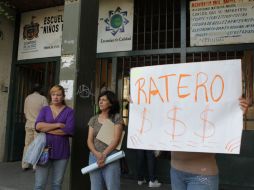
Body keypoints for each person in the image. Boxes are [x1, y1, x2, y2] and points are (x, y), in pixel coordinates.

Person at [170, 97, 249, 190]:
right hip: (175, 171)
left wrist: (236, 114)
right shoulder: (176, 96)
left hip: (202, 175)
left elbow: (222, 126)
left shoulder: (210, 96)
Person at [34, 85, 75, 190]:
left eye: (58, 95)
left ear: (63, 97)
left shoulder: (69, 111)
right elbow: (38, 126)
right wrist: (58, 125)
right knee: (39, 185)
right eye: (53, 94)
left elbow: (70, 130)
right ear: (50, 96)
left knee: (57, 185)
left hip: (62, 151)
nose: (55, 97)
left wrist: (46, 128)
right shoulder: (45, 109)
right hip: (43, 150)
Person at [87, 90, 124, 190]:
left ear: (111, 103)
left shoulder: (116, 117)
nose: (100, 102)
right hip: (94, 156)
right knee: (95, 187)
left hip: (111, 156)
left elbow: (116, 139)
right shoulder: (93, 119)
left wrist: (104, 155)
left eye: (104, 100)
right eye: (99, 100)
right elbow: (89, 140)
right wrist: (96, 153)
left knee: (112, 187)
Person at [22, 83, 48, 170]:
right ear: (40, 90)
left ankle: (25, 164)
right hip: (39, 125)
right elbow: (46, 113)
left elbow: (25, 112)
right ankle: (35, 165)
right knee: (38, 145)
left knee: (27, 144)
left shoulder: (27, 98)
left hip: (28, 124)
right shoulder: (43, 98)